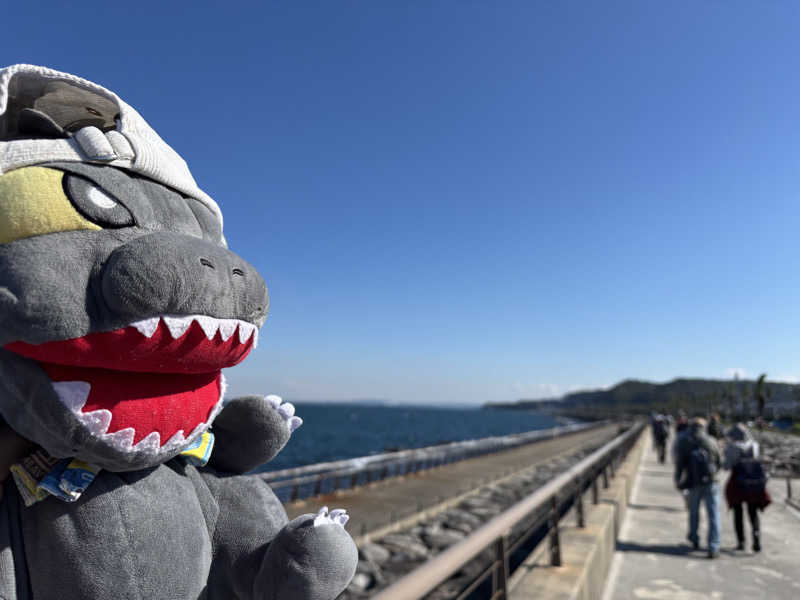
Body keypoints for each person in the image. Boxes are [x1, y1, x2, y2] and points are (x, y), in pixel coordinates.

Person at [674, 417, 722, 558]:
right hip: (711, 482)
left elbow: (679, 464)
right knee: (713, 515)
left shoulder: (685, 441)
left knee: (694, 513)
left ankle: (694, 538)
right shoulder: (711, 440)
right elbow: (719, 462)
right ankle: (713, 546)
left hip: (693, 482)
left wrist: (678, 480)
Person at [723, 423, 771, 552]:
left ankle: (741, 542)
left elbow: (726, 466)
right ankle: (756, 539)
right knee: (753, 513)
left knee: (737, 513)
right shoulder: (754, 445)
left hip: (737, 482)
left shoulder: (732, 446)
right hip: (754, 482)